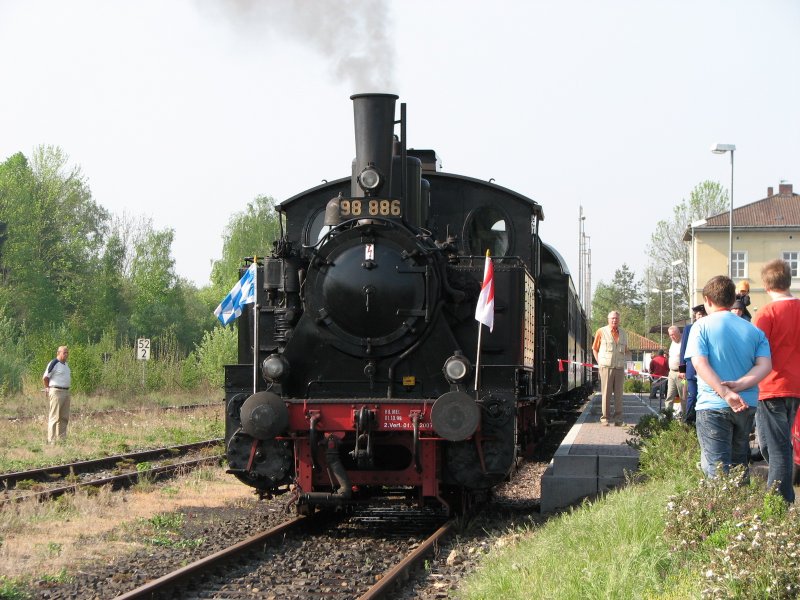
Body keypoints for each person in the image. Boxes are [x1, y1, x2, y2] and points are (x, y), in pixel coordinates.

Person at [685, 275, 771, 479]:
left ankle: (721, 510)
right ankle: (742, 509)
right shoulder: (754, 330)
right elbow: (765, 366)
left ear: (707, 300)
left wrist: (725, 393)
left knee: (716, 469)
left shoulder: (701, 326)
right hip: (746, 404)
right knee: (740, 463)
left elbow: (700, 363)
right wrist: (739, 386)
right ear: (733, 299)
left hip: (712, 404)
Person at [752, 259, 800, 503]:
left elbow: (754, 351)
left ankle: (776, 503)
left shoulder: (766, 313)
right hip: (795, 386)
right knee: (782, 444)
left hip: (771, 386)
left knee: (776, 447)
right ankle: (786, 497)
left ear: (766, 285)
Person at [592, 311, 629, 426]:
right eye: (612, 318)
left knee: (619, 394)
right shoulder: (601, 331)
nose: (614, 320)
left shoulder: (623, 333)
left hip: (619, 367)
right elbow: (594, 348)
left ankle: (618, 419)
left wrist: (625, 361)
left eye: (616, 318)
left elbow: (626, 350)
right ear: (608, 319)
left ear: (619, 320)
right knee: (606, 393)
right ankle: (605, 418)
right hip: (606, 367)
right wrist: (600, 362)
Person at [679, 304, 707, 425]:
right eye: (699, 314)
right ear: (695, 316)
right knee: (693, 395)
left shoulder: (708, 327)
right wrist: (682, 369)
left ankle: (702, 421)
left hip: (706, 369)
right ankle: (689, 421)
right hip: (691, 368)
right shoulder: (688, 329)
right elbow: (683, 348)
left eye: (703, 314)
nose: (701, 317)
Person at [42, 346, 71, 444]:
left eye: (67, 352)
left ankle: (62, 439)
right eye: (64, 352)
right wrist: (47, 388)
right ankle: (51, 440)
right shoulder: (54, 363)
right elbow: (46, 377)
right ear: (58, 353)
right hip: (56, 391)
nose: (66, 354)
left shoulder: (66, 365)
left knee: (64, 417)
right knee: (54, 416)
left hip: (66, 392)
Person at [665, 325, 686, 417]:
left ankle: (685, 419)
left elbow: (686, 358)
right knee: (669, 396)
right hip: (671, 373)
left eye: (673, 334)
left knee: (683, 397)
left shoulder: (684, 342)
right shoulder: (672, 343)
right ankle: (667, 417)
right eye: (670, 335)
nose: (672, 337)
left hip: (681, 373)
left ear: (679, 333)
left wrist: (683, 371)